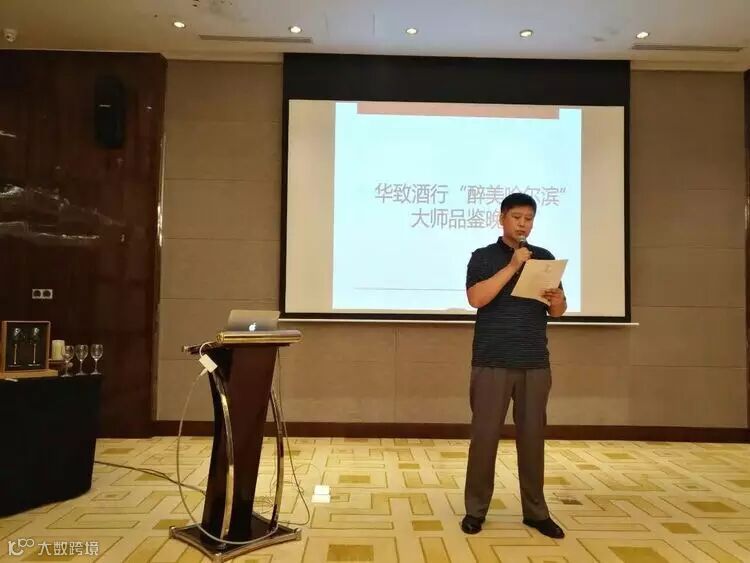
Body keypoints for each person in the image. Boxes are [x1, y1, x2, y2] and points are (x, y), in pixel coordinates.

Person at [460, 192, 566, 538]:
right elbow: (477, 298)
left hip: (534, 361)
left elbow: (557, 312)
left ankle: (536, 512)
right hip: (492, 360)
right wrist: (512, 266)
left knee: (533, 439)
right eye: (517, 217)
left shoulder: (544, 258)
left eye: (529, 219)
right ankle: (476, 511)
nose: (523, 224)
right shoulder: (483, 257)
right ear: (502, 218)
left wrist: (558, 299)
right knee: (485, 438)